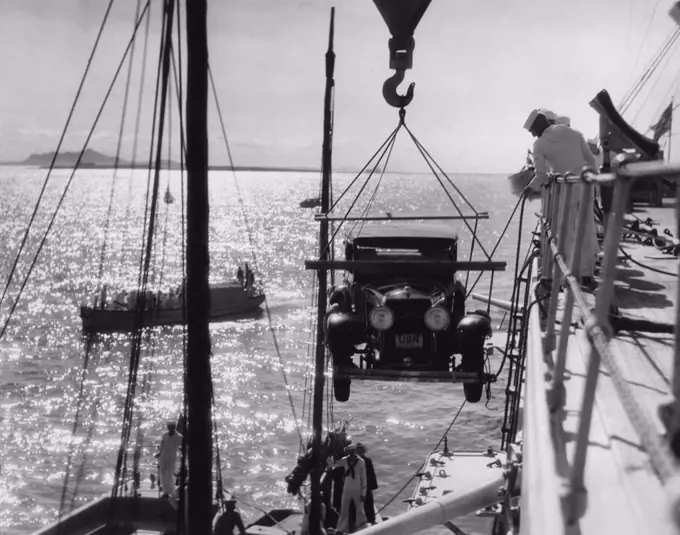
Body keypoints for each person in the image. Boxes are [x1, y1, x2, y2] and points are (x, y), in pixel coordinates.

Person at [524, 109, 599, 289]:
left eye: (532, 130)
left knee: (564, 234)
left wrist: (530, 187)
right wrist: (592, 184)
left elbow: (542, 175)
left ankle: (565, 275)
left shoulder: (540, 144)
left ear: (539, 126)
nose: (533, 134)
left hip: (565, 191)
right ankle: (587, 275)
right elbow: (591, 161)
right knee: (586, 231)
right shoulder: (575, 134)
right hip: (585, 187)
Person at [333, 445, 367, 533]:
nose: (351, 455)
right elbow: (334, 464)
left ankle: (362, 528)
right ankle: (341, 529)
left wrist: (363, 493)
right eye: (350, 453)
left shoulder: (361, 462)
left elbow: (364, 478)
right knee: (344, 509)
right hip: (347, 489)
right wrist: (328, 457)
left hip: (357, 489)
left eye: (353, 452)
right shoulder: (345, 460)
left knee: (360, 510)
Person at [156, 421, 183, 499]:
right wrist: (159, 453)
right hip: (163, 457)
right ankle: (166, 492)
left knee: (169, 475)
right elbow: (162, 445)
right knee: (163, 474)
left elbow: (181, 447)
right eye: (169, 427)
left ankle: (169, 491)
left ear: (174, 427)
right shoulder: (165, 435)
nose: (170, 428)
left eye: (172, 427)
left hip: (171, 458)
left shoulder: (179, 436)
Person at [355, 443, 378, 525]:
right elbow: (372, 474)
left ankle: (366, 520)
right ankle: (371, 520)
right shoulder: (367, 460)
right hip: (365, 485)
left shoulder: (355, 462)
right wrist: (373, 485)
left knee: (364, 503)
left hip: (360, 485)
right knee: (368, 502)